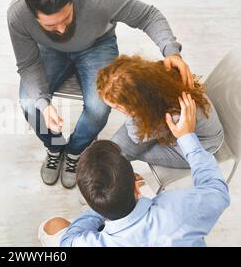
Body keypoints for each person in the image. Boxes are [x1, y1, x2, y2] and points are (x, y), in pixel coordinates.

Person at [7, 0, 193, 188]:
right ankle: (54, 147)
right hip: (48, 50)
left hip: (97, 45)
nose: (62, 30)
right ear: (33, 14)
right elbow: (28, 64)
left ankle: (75, 151)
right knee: (30, 103)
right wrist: (43, 103)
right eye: (51, 26)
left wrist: (171, 51)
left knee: (99, 106)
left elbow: (148, 15)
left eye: (66, 18)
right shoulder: (18, 14)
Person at [38, 93, 230, 246]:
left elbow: (68, 241)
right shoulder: (180, 210)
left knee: (50, 226)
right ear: (136, 188)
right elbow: (217, 190)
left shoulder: (85, 242)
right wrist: (187, 136)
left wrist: (98, 209)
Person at [97, 55, 224, 169]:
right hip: (176, 128)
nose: (116, 110)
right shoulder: (157, 79)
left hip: (201, 147)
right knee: (116, 150)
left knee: (122, 153)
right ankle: (119, 171)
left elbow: (136, 137)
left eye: (118, 107)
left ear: (137, 105)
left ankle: (122, 179)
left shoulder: (174, 115)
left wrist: (132, 114)